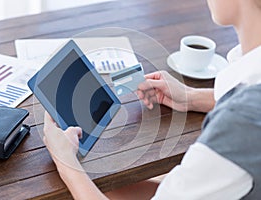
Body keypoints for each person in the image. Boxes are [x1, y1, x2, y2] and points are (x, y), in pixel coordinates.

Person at [42, 0, 261, 199]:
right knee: (111, 187)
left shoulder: (239, 127)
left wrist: (65, 161)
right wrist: (191, 97)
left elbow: (247, 121)